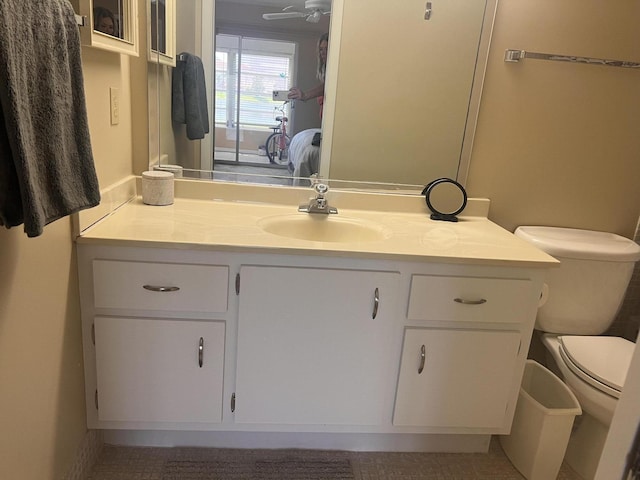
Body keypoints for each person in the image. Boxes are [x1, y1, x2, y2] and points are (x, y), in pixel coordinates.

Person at [288, 32, 328, 118]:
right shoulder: (327, 71)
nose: (323, 53)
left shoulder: (336, 71)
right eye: (321, 49)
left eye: (326, 49)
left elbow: (327, 86)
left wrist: (305, 96)